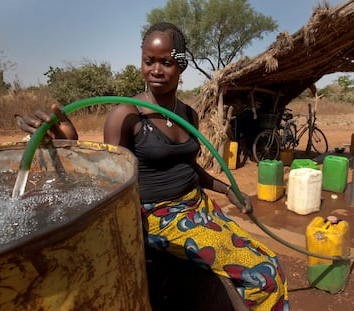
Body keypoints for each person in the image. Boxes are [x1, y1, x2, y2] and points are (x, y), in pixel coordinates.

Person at [18, 22, 289, 310]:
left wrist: (227, 190)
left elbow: (190, 169)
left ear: (181, 67)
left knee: (270, 261)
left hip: (199, 208)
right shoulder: (125, 115)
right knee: (264, 277)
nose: (156, 70)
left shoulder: (189, 115)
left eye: (166, 62)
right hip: (160, 219)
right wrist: (69, 145)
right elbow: (110, 180)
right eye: (149, 61)